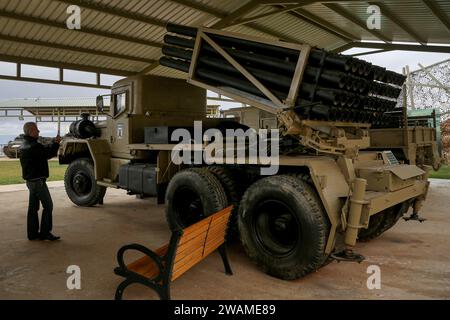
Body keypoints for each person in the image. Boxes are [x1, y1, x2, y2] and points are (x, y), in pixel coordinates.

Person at [20, 122, 62, 241]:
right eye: (36, 130)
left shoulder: (25, 144)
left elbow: (42, 151)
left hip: (30, 181)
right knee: (48, 206)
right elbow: (48, 154)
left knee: (33, 208)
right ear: (30, 132)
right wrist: (56, 143)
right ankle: (45, 233)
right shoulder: (34, 146)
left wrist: (53, 143)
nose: (38, 131)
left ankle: (32, 234)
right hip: (38, 181)